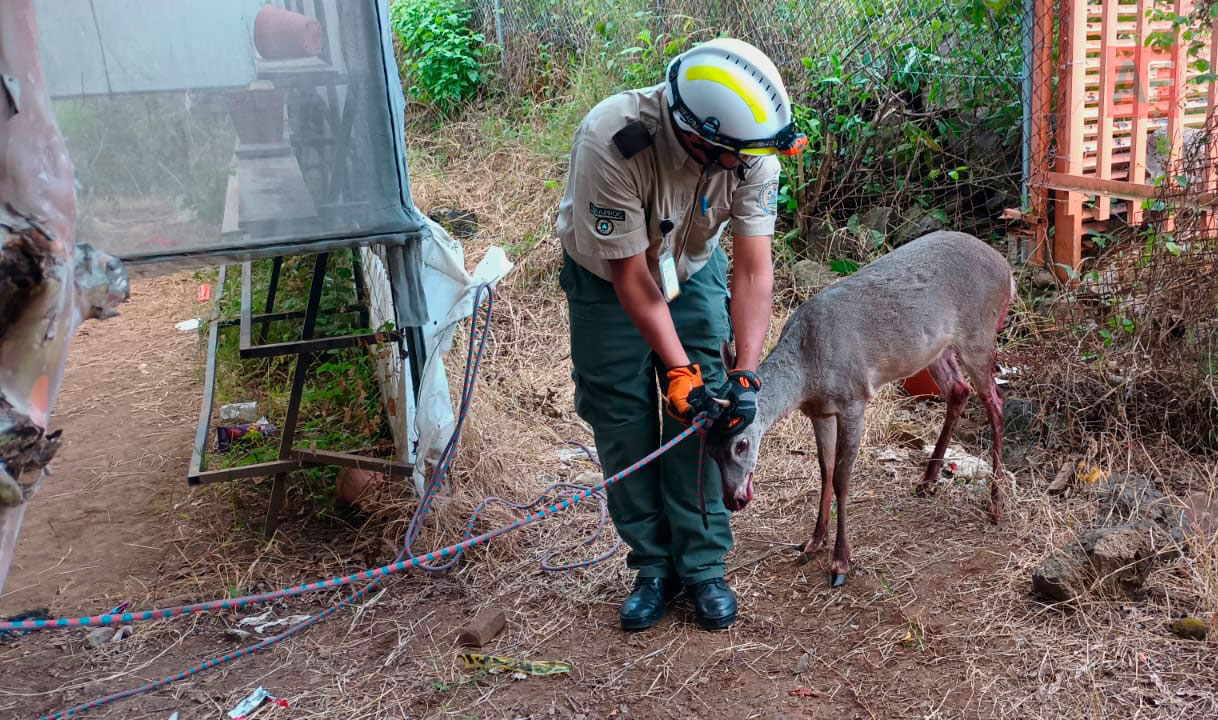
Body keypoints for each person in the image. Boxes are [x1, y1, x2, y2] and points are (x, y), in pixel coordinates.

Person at [555, 38, 806, 631]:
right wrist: (675, 368)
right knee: (620, 416)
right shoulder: (612, 139)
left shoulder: (753, 153)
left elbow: (753, 268)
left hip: (691, 267)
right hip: (607, 276)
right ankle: (652, 566)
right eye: (737, 156)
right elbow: (632, 277)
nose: (749, 165)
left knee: (709, 410)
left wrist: (746, 371)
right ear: (700, 138)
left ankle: (702, 564)